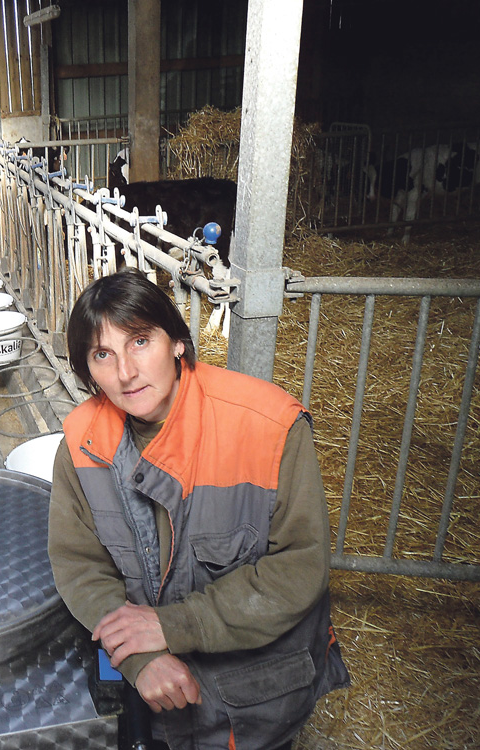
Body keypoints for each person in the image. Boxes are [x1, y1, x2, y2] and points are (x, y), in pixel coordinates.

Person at [48, 269, 349, 750]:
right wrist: (140, 660)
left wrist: (171, 625)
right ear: (87, 370)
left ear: (177, 343)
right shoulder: (83, 445)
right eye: (103, 355)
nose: (126, 372)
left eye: (140, 341)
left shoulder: (270, 427)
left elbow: (299, 567)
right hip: (152, 703)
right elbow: (81, 566)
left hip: (256, 703)